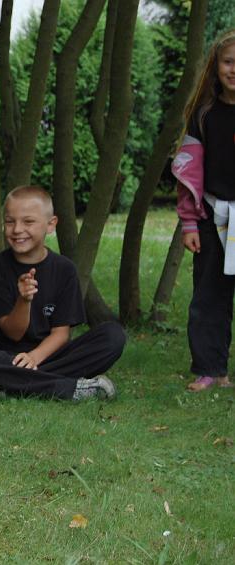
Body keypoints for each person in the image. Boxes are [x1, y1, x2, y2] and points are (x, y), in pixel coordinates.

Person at [0, 186, 125, 401]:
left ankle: (10, 386)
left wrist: (34, 357)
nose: (17, 229)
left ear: (51, 224)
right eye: (9, 221)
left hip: (49, 356)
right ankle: (70, 389)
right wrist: (24, 300)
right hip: (5, 358)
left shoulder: (65, 269)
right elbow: (13, 333)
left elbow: (61, 334)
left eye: (28, 222)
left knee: (113, 336)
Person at [173, 29, 235, 392]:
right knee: (210, 297)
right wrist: (189, 223)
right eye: (228, 62)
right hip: (213, 218)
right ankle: (212, 370)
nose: (234, 69)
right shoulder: (204, 115)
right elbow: (189, 173)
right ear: (216, 66)